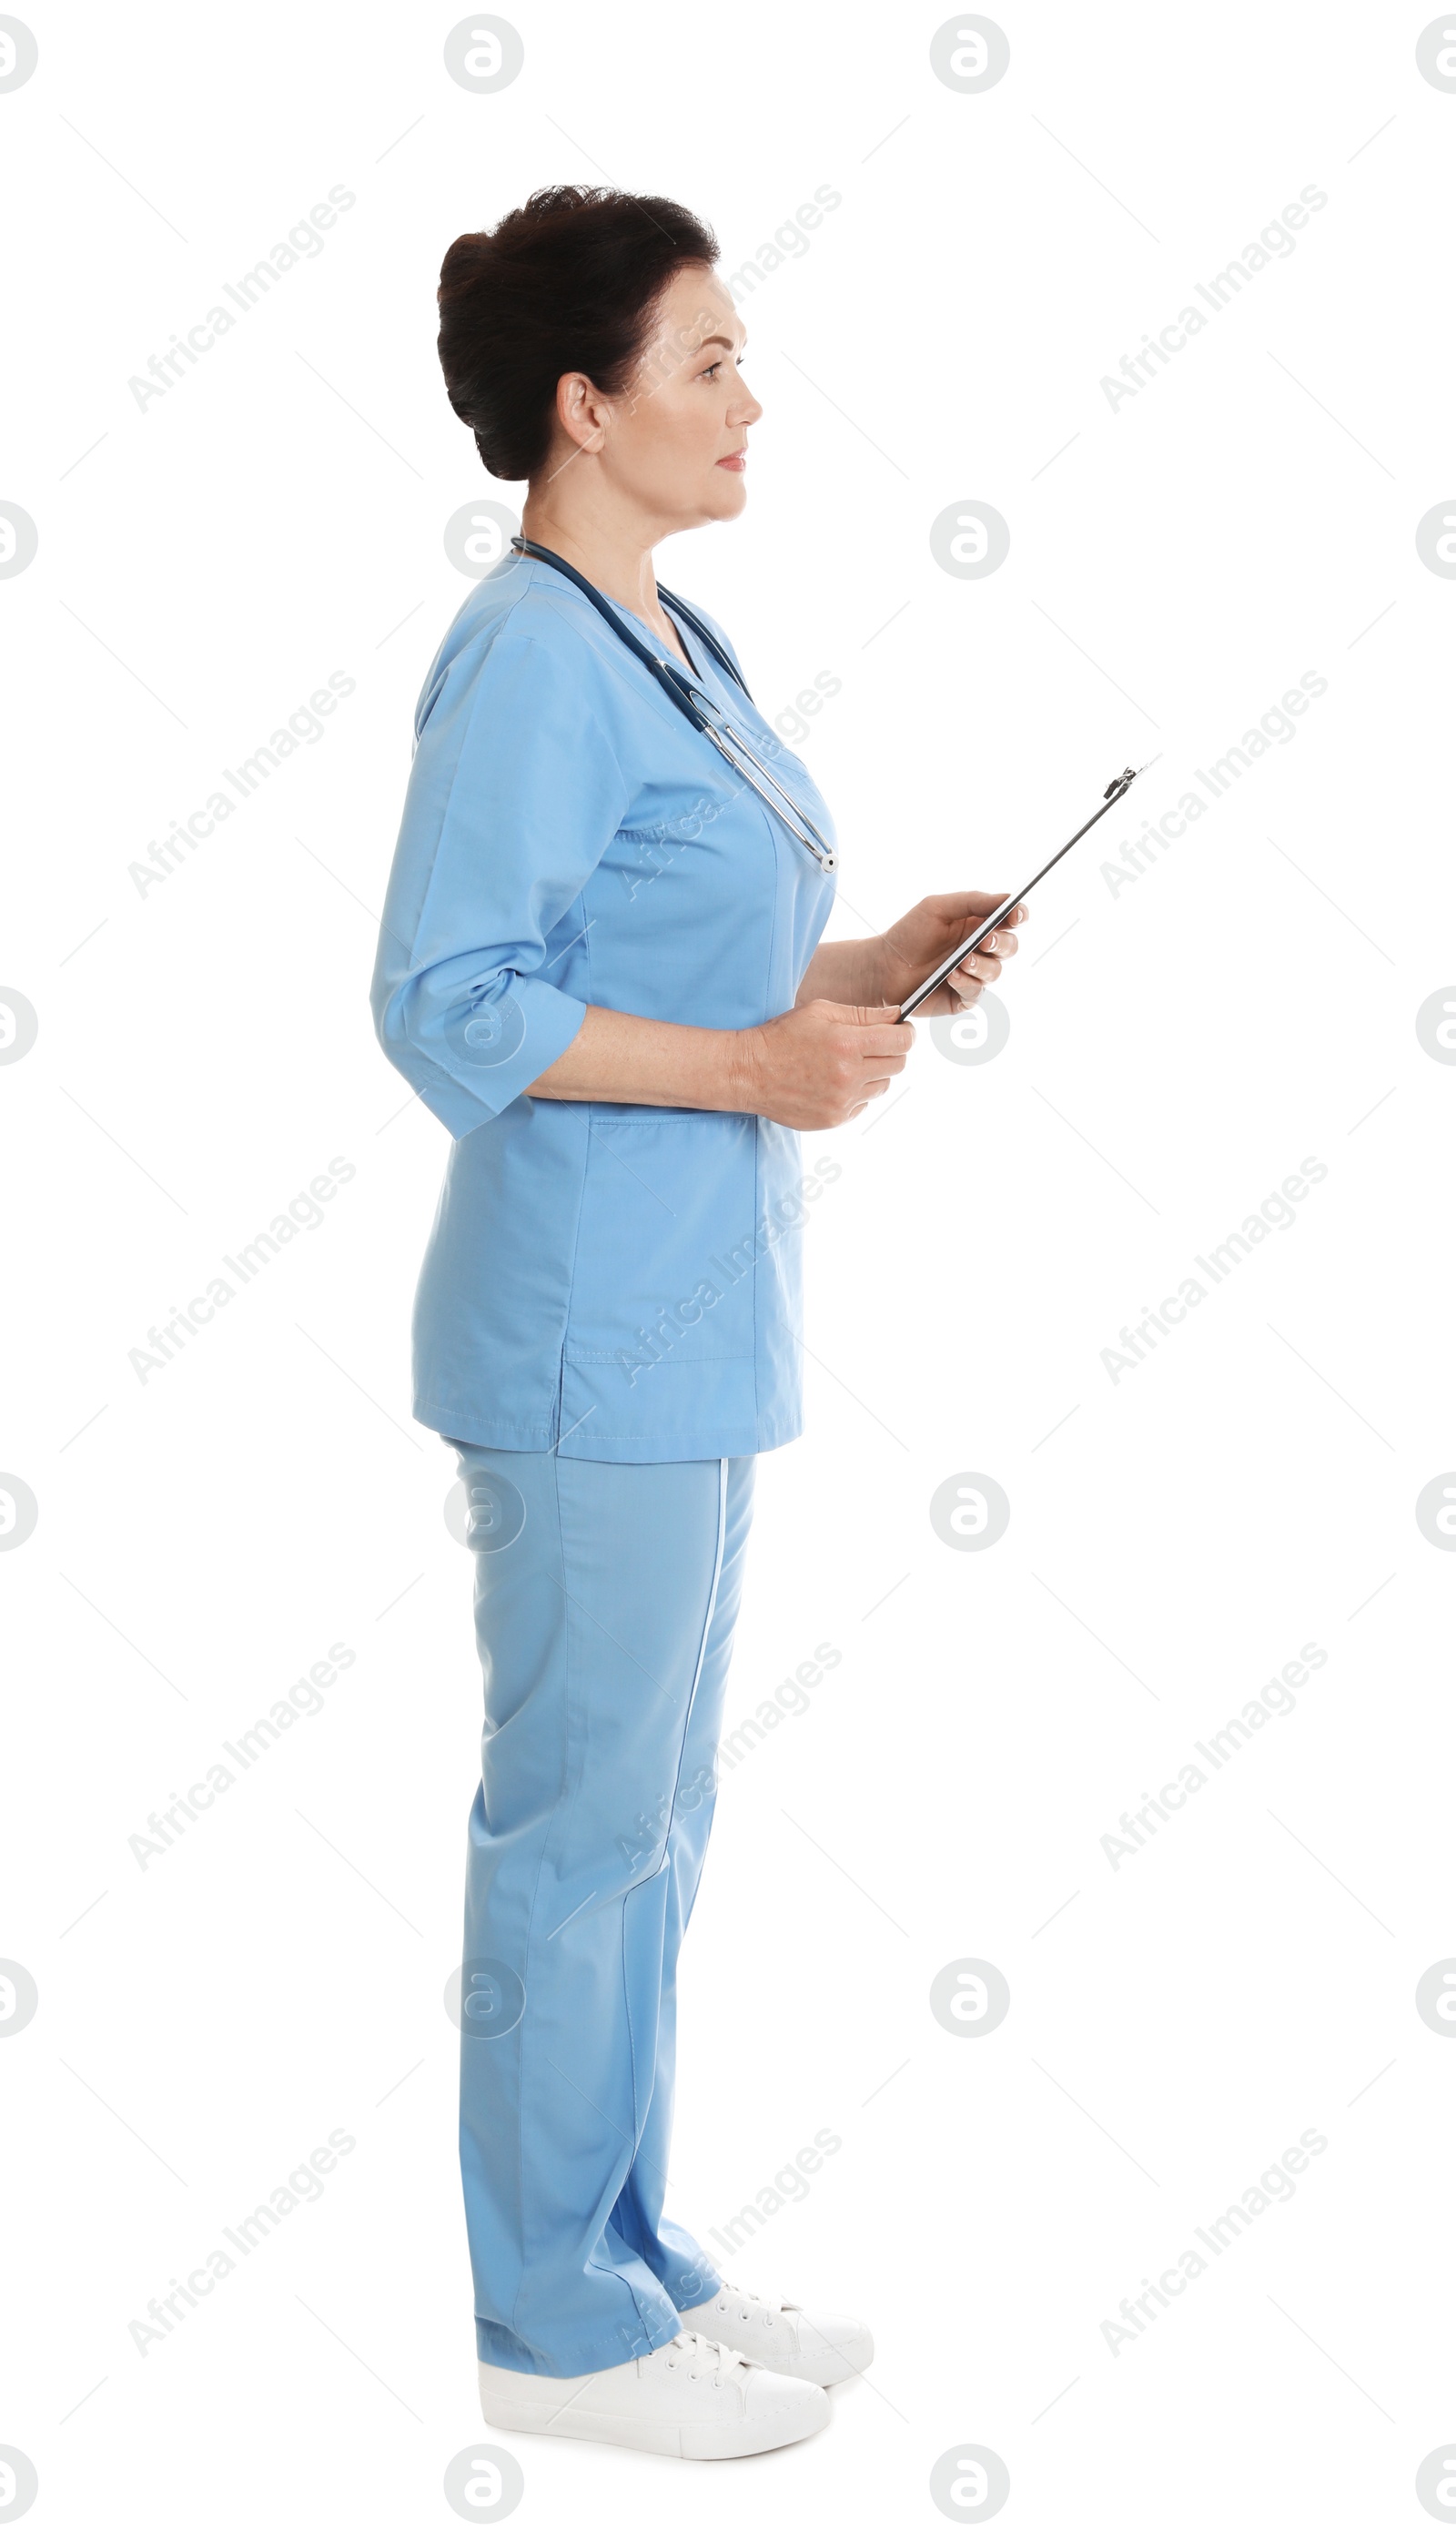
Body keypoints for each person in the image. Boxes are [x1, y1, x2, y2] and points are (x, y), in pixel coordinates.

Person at [369, 184, 1025, 2463]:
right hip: (582, 1342)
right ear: (585, 403)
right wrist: (761, 1067)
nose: (754, 398)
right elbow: (454, 996)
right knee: (575, 1823)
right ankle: (546, 2329)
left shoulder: (661, 634)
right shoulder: (530, 655)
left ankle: (622, 2255)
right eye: (709, 361)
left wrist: (860, 969)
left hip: (684, 1330)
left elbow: (678, 955)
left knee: (649, 1817)